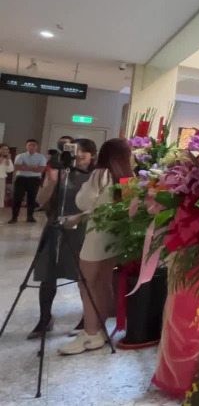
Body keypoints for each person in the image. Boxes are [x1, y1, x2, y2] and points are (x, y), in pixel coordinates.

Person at [58, 138, 133, 355]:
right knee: (104, 282)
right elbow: (125, 207)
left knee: (86, 283)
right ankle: (99, 329)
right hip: (114, 235)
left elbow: (83, 202)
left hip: (97, 236)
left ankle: (90, 334)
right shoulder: (128, 176)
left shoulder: (100, 174)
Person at [29, 139, 97, 339]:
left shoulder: (95, 176)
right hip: (55, 227)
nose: (80, 154)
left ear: (93, 155)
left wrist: (79, 217)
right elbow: (40, 200)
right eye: (76, 150)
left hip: (82, 229)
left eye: (85, 151)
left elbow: (100, 205)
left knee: (83, 276)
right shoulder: (60, 172)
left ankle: (86, 318)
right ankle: (45, 318)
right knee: (47, 273)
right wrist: (52, 181)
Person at [10, 139, 47, 223]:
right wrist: (33, 167)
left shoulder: (41, 157)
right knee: (17, 198)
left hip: (34, 180)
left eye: (34, 145)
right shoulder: (20, 156)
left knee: (32, 199)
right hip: (21, 179)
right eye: (29, 145)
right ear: (26, 146)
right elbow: (17, 167)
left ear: (37, 147)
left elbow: (40, 169)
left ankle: (30, 217)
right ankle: (14, 217)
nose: (31, 147)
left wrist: (26, 166)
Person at [0, 144, 14, 217]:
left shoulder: (8, 159)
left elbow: (10, 170)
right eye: (3, 149)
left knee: (0, 197)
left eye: (7, 149)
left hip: (1, 179)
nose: (5, 151)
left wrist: (8, 160)